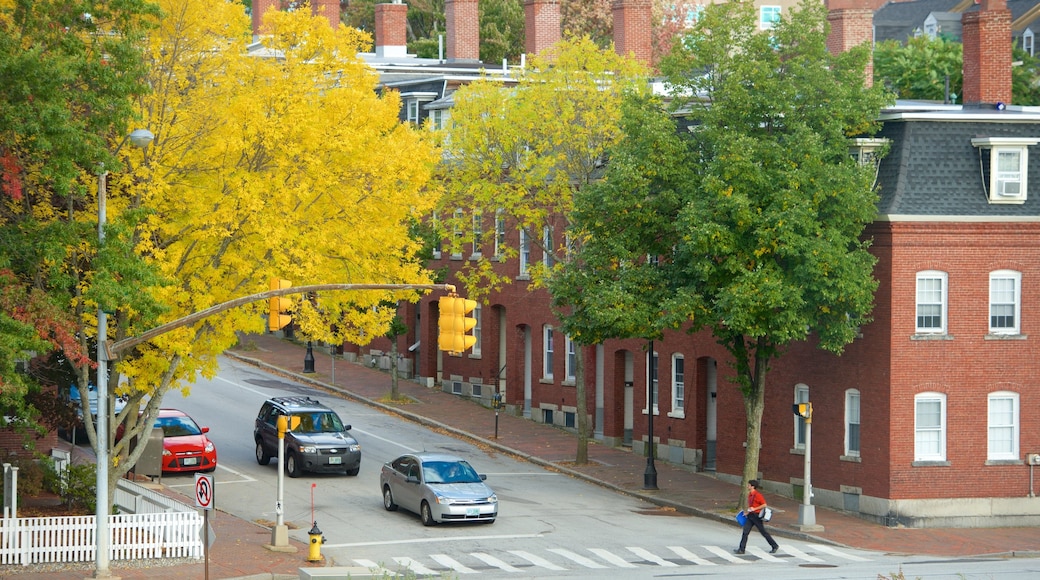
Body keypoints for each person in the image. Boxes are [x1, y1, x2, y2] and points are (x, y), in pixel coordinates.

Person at [735, 479, 779, 554]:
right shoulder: (750, 494)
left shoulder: (758, 495)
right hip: (750, 515)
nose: (747, 486)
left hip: (757, 516)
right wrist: (747, 512)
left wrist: (754, 509)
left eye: (749, 485)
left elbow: (764, 505)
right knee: (745, 532)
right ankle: (741, 549)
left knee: (763, 532)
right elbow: (751, 506)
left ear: (753, 486)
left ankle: (774, 545)